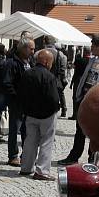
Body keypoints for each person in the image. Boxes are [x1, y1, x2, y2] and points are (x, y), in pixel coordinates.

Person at [57, 35, 99, 165]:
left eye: (93, 46)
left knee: (95, 134)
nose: (91, 48)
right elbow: (85, 78)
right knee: (79, 131)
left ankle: (92, 160)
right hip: (85, 101)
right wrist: (78, 95)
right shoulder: (92, 61)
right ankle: (74, 156)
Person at [18, 49, 61, 180]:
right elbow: (54, 98)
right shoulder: (49, 77)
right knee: (46, 142)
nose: (51, 65)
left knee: (29, 141)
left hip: (30, 114)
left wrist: (25, 109)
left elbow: (21, 94)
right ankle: (42, 171)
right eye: (51, 62)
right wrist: (56, 109)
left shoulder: (27, 74)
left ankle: (26, 168)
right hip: (47, 115)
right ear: (47, 62)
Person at [4, 38, 34, 166]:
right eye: (31, 49)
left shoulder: (30, 62)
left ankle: (25, 155)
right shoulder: (12, 63)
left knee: (27, 131)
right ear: (23, 49)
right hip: (16, 103)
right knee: (14, 130)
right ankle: (13, 155)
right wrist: (16, 97)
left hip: (28, 103)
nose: (33, 51)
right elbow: (7, 83)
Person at [43, 35, 68, 118]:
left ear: (44, 42)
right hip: (56, 78)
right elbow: (63, 67)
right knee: (59, 95)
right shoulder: (60, 54)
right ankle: (63, 110)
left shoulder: (40, 52)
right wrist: (62, 77)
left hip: (43, 79)